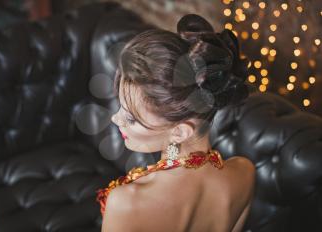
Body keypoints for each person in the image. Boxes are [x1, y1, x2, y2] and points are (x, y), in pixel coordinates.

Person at [96, 13, 256, 232]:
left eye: (131, 118)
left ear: (180, 132)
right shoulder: (244, 173)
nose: (115, 119)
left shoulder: (127, 202)